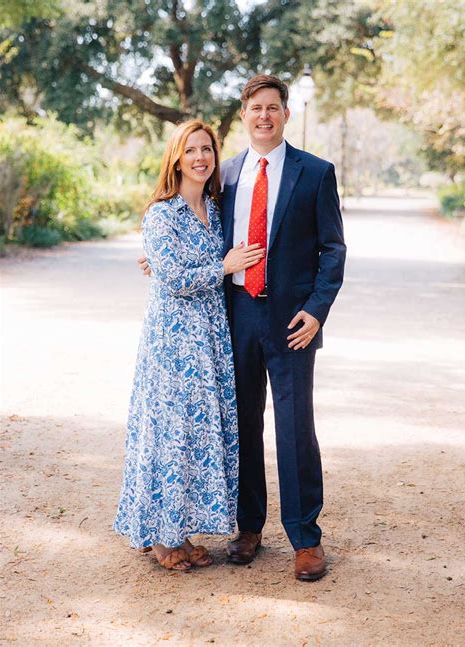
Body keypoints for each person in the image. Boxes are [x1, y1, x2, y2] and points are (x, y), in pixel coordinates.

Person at [139, 75, 346, 581]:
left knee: (295, 429)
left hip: (293, 321)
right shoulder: (225, 175)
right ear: (245, 113)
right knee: (242, 426)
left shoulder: (315, 173)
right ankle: (249, 527)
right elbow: (193, 231)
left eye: (273, 107)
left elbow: (333, 249)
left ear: (285, 114)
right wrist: (156, 259)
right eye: (256, 108)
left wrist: (317, 310)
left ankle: (305, 538)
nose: (264, 116)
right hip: (235, 317)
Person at [115, 119, 265, 571]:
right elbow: (176, 279)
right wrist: (224, 266)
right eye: (191, 150)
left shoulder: (215, 210)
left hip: (210, 337)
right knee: (171, 431)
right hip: (174, 340)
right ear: (176, 159)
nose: (200, 158)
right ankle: (162, 539)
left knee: (196, 433)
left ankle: (179, 530)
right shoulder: (163, 213)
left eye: (207, 149)